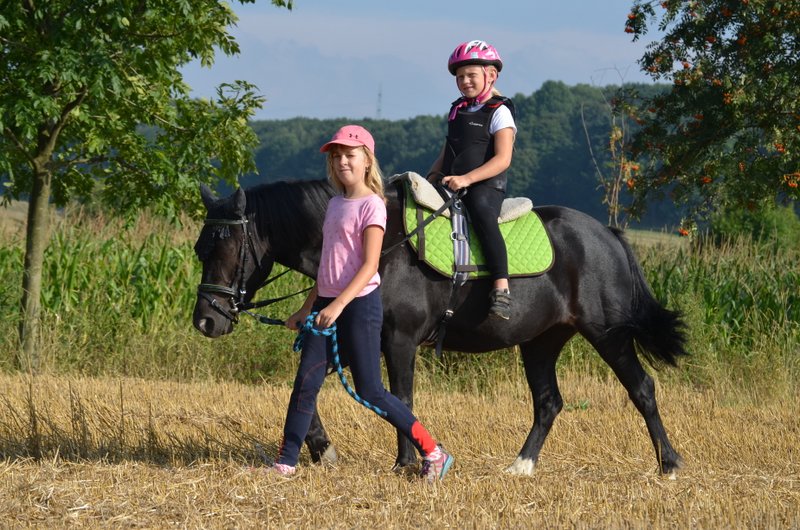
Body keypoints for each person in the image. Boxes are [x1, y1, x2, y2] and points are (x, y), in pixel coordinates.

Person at [269, 124, 454, 482]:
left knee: (371, 390)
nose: (342, 162)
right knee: (305, 382)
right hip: (327, 304)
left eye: (350, 155)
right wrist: (307, 308)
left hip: (358, 306)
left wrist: (336, 306)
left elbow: (369, 266)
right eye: (336, 156)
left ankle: (434, 451)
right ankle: (285, 464)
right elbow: (328, 265)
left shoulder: (373, 205)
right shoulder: (335, 204)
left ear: (367, 160)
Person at [426, 40, 517, 320]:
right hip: (452, 182)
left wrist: (467, 179)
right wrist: (431, 177)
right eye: (460, 77)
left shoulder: (499, 111)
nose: (465, 81)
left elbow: (503, 159)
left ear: (491, 75)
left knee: (481, 212)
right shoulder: (457, 110)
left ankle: (501, 287)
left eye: (471, 75)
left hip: (485, 187)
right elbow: (447, 150)